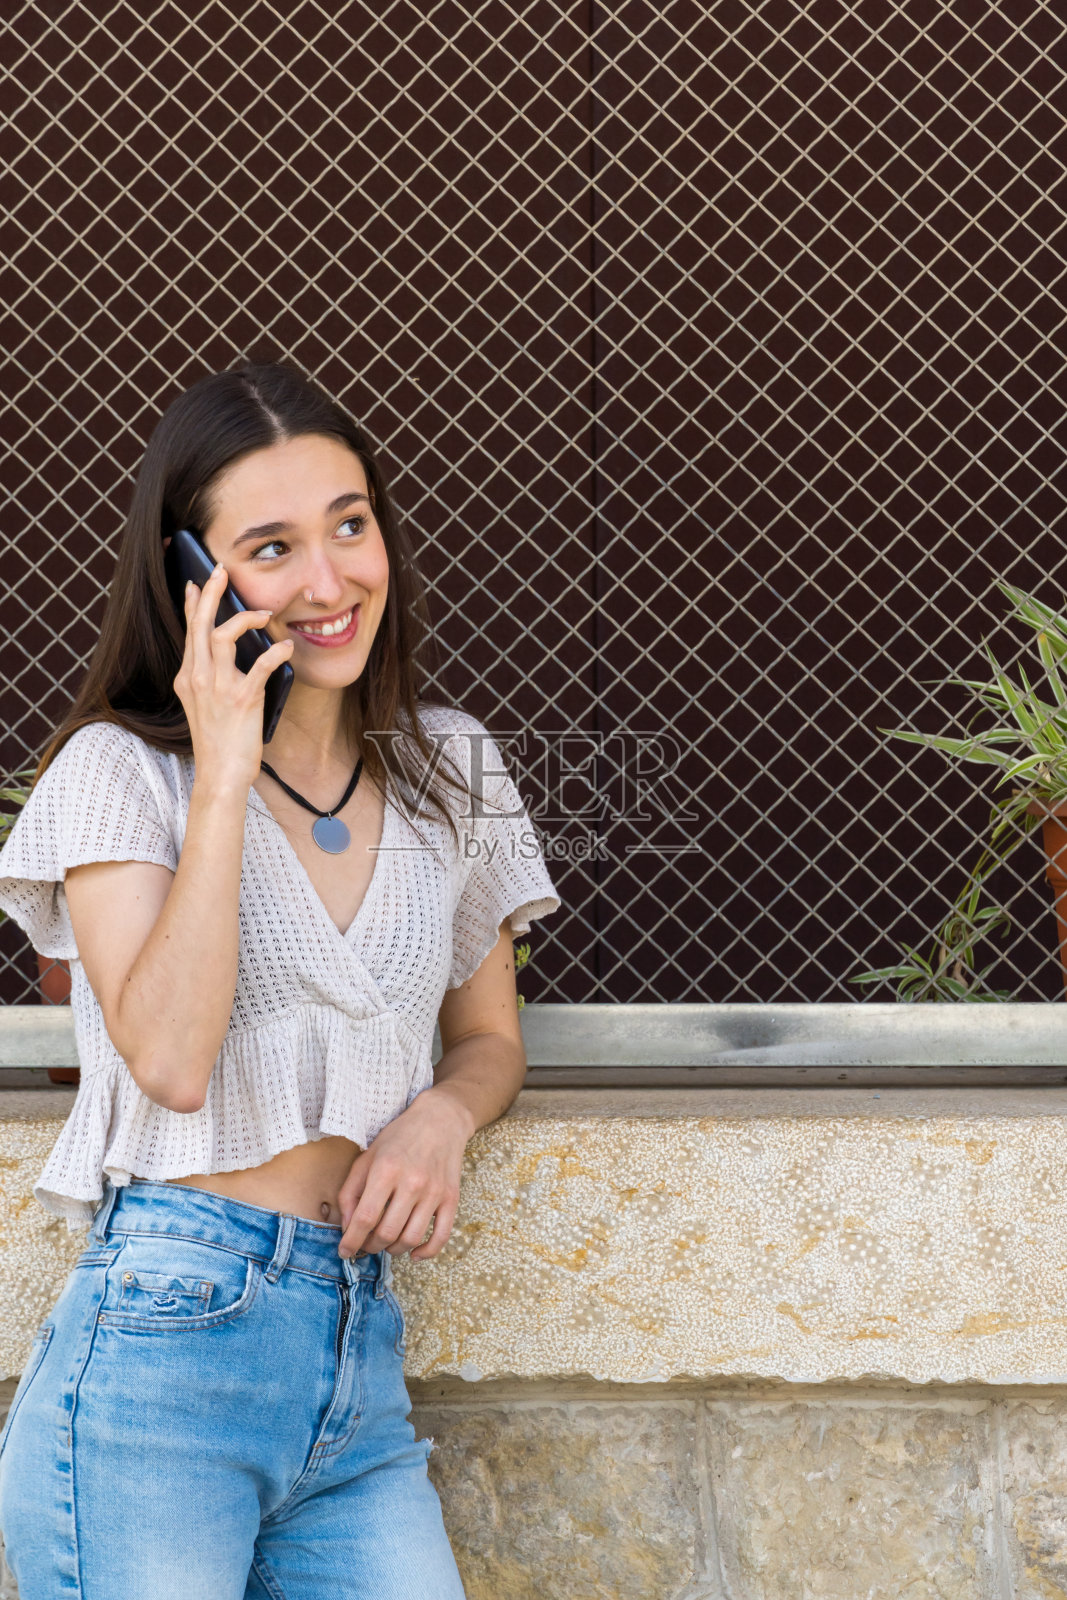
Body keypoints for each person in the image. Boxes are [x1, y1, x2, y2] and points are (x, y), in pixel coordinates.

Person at [0, 359, 561, 1598]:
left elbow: (489, 1037)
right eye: (270, 547)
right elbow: (170, 1057)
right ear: (194, 583)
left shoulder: (449, 768)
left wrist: (438, 1115)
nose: (327, 581)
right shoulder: (116, 775)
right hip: (161, 1356)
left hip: (355, 1363)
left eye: (349, 525)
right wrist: (222, 770)